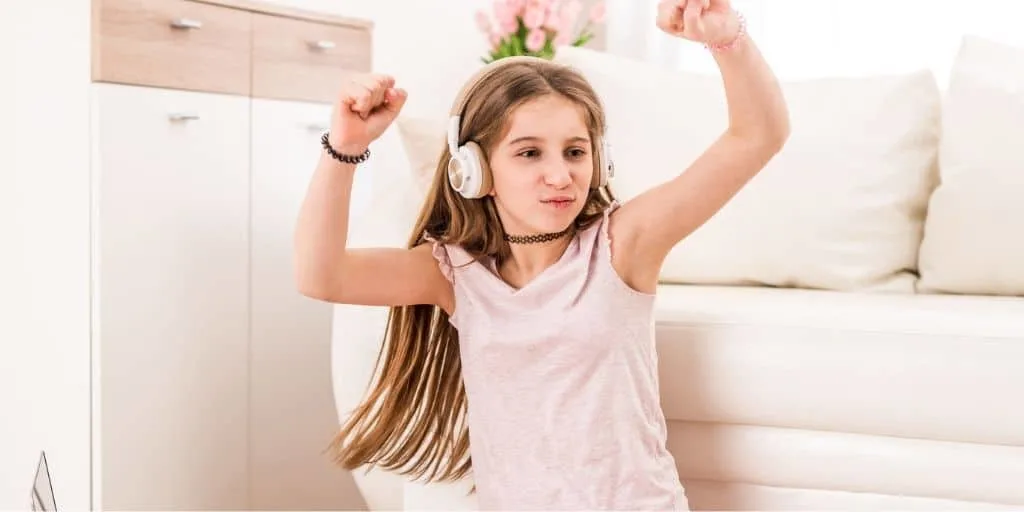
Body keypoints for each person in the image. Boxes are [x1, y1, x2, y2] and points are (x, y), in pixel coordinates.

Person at [294, 0, 788, 509]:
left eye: (575, 151)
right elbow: (321, 275)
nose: (560, 175)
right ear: (473, 169)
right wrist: (344, 148)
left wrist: (728, 41)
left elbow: (757, 136)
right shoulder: (452, 271)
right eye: (530, 153)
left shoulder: (622, 245)